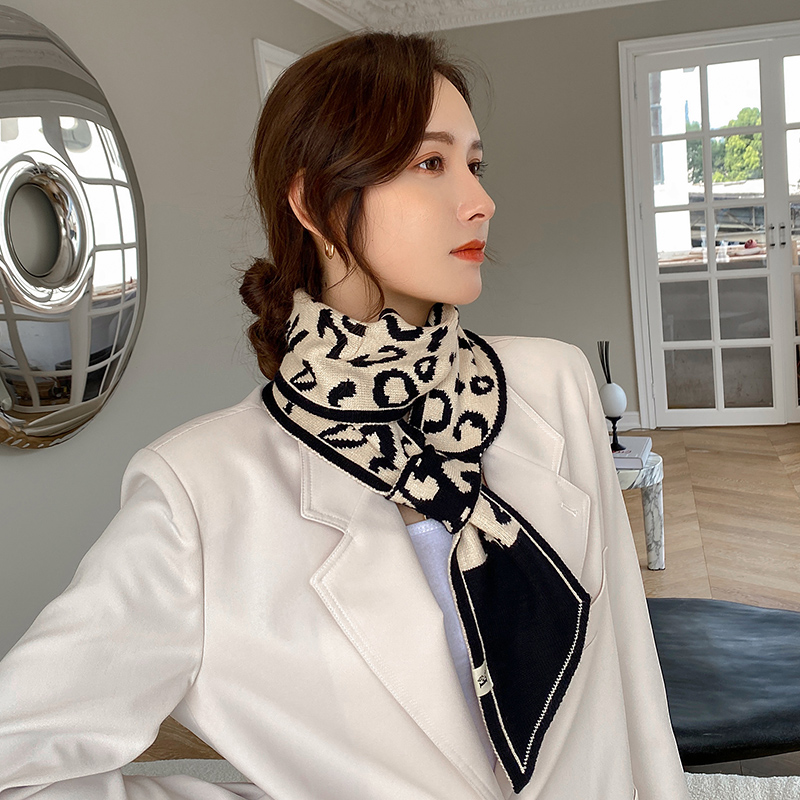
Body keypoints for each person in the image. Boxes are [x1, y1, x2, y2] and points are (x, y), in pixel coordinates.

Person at [0, 31, 690, 800]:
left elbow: (633, 686)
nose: (480, 201)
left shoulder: (552, 381)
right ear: (316, 203)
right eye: (430, 164)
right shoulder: (199, 494)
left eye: (475, 164)